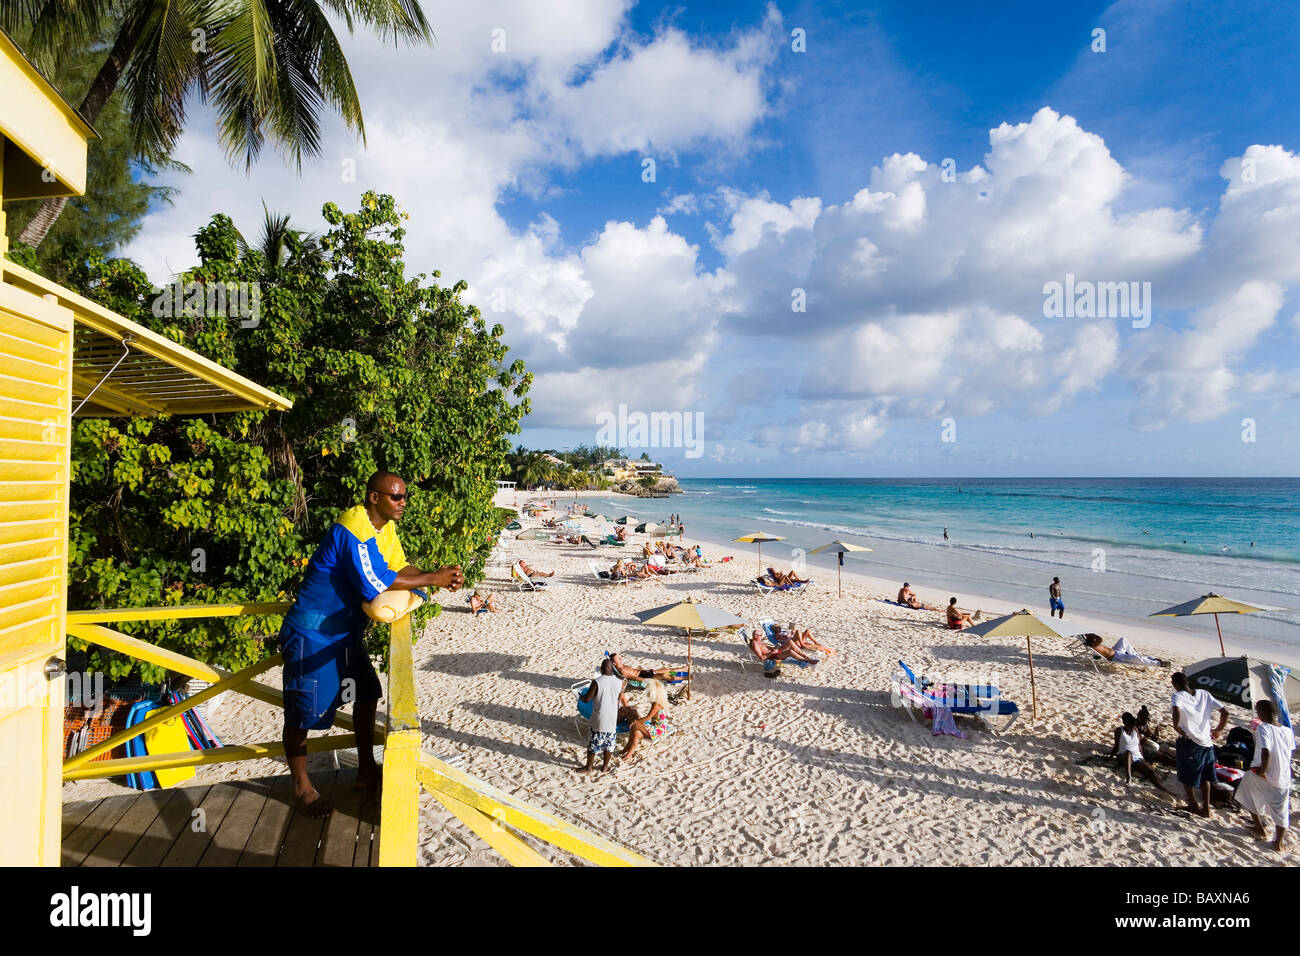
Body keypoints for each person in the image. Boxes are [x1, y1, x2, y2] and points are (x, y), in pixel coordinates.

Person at [279, 471, 463, 817]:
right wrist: (432, 580)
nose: (403, 503)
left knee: (367, 692)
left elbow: (399, 565)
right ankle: (302, 789)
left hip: (345, 632)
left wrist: (431, 577)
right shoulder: (355, 528)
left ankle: (366, 768)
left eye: (405, 496)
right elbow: (377, 581)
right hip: (313, 634)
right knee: (303, 715)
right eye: (396, 497)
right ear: (374, 497)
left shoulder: (385, 527)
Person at [1235, 699, 1295, 851]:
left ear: (1263, 712)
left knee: (1246, 793)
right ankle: (1278, 843)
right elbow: (1289, 751)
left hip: (1264, 773)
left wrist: (1261, 771)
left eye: (1258, 710)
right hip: (1283, 776)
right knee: (1281, 812)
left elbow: (1266, 752)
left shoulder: (1264, 728)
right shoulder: (1288, 730)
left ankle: (1259, 828)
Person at [1170, 671, 1229, 818]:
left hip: (1191, 741)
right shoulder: (1204, 693)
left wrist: (1176, 726)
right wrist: (1219, 730)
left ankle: (1193, 804)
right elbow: (1225, 712)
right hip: (1207, 743)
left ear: (1175, 684)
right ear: (1187, 682)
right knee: (1205, 776)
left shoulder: (1177, 696)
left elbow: (1176, 710)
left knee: (1186, 774)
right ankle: (1206, 809)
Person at [576, 659, 627, 775]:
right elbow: (619, 699)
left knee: (593, 746)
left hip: (599, 720)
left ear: (602, 669)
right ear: (612, 668)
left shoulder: (597, 682)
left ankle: (589, 767)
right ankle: (605, 767)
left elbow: (587, 699)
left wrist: (581, 696)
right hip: (612, 719)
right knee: (609, 745)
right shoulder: (619, 682)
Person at [1109, 711, 1167, 790]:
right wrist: (1111, 756)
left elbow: (1139, 745)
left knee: (1150, 771)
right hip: (1123, 756)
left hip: (1136, 756)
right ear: (1125, 723)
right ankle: (1128, 778)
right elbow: (1116, 746)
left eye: (1133, 725)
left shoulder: (1135, 730)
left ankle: (1161, 787)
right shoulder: (1119, 731)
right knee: (1128, 753)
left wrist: (1142, 758)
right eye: (1130, 725)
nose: (1132, 727)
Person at [621, 679, 672, 762]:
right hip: (656, 726)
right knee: (636, 732)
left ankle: (627, 749)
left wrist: (636, 722)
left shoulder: (656, 704)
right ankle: (629, 752)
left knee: (635, 726)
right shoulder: (658, 702)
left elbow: (648, 718)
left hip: (658, 729)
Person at [1083, 634, 1165, 666]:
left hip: (1116, 651)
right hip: (1117, 657)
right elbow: (1099, 640)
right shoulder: (1093, 644)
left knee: (1123, 639)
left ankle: (1134, 654)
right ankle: (1158, 663)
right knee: (1136, 659)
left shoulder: (1093, 642)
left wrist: (1086, 634)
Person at [749, 629, 819, 664]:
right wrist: (772, 652)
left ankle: (805, 656)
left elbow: (767, 648)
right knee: (790, 652)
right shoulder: (755, 644)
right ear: (755, 636)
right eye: (760, 635)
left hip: (775, 651)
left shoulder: (760, 641)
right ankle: (807, 660)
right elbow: (761, 658)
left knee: (790, 642)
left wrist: (774, 648)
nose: (762, 636)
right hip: (773, 656)